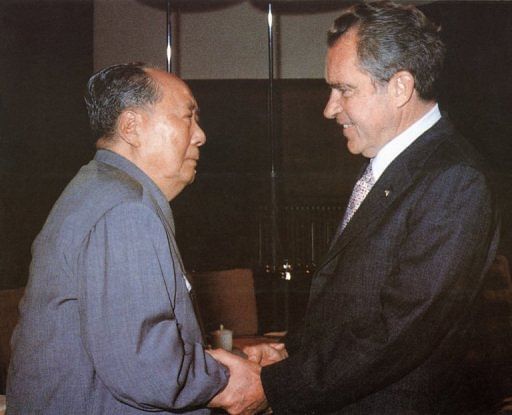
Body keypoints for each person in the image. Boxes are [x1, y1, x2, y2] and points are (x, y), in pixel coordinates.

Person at [211, 2, 501, 414]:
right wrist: (290, 353)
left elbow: (401, 329)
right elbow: (354, 303)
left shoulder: (453, 179)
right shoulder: (397, 165)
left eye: (344, 90)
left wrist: (276, 387)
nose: (329, 108)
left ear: (400, 87)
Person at [6, 63, 260, 414]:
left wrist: (230, 360)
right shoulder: (126, 209)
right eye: (188, 117)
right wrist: (229, 378)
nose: (200, 135)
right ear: (131, 127)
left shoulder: (101, 188)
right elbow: (150, 370)